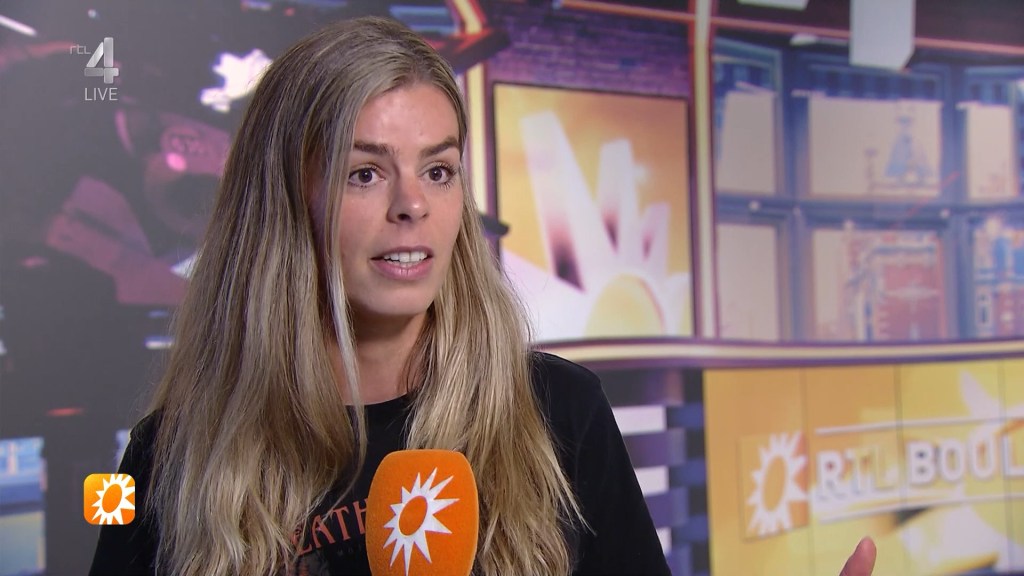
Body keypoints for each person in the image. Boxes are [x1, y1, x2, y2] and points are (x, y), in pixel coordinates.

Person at [90, 16, 877, 576]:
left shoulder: (562, 411)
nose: (413, 204)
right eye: (365, 172)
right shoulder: (158, 457)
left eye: (439, 170)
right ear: (287, 199)